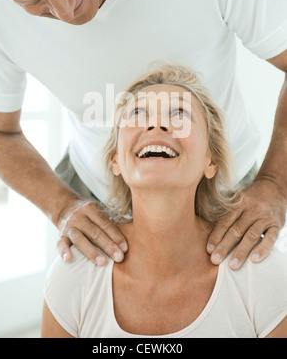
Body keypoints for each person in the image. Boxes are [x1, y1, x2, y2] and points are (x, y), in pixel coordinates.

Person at [0, 0, 286, 271]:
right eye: (34, 4)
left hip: (224, 197)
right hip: (97, 201)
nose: (66, 13)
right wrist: (61, 206)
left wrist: (275, 185)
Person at [41, 63, 287, 338]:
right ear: (115, 161)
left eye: (180, 115)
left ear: (211, 161)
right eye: (137, 114)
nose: (156, 124)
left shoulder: (260, 272)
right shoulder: (74, 273)